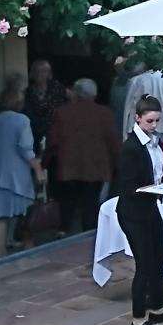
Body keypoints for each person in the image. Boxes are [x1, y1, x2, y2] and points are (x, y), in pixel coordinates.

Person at [117, 95, 163, 325]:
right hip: (134, 213)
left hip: (149, 208)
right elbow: (127, 185)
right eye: (149, 121)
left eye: (156, 121)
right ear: (137, 118)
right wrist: (152, 189)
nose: (154, 125)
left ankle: (156, 307)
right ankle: (138, 321)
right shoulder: (131, 147)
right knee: (144, 265)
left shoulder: (152, 143)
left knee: (160, 256)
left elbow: (151, 172)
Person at [0, 82, 44, 259]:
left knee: (0, 213)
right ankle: (4, 247)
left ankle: (3, 248)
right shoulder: (22, 121)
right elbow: (26, 149)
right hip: (16, 173)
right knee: (15, 210)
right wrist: (37, 169)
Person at [49, 79, 117, 233]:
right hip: (95, 167)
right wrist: (117, 163)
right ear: (94, 94)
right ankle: (89, 235)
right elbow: (112, 141)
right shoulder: (105, 113)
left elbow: (53, 141)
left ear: (76, 93)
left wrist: (46, 162)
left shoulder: (62, 112)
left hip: (68, 166)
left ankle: (64, 231)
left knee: (67, 202)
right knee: (90, 204)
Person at [22, 59, 67, 151]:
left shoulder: (57, 87)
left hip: (55, 132)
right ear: (32, 73)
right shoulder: (27, 92)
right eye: (37, 71)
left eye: (43, 71)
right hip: (34, 134)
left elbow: (73, 97)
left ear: (49, 74)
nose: (40, 74)